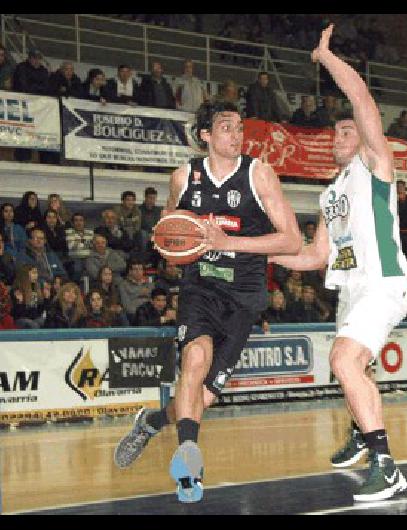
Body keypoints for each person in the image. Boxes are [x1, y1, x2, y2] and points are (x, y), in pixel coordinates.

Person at [113, 99, 301, 504]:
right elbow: (167, 230)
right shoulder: (183, 177)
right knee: (193, 362)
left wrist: (226, 241)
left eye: (239, 128)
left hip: (245, 297)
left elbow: (291, 240)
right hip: (200, 287)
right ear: (205, 135)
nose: (237, 135)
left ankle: (150, 422)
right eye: (227, 128)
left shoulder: (259, 174)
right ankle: (187, 466)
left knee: (201, 397)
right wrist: (167, 244)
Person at [269, 25, 407, 502]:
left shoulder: (376, 164)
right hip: (351, 289)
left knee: (343, 360)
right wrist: (255, 252)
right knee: (354, 369)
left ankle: (386, 466)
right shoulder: (329, 193)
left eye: (348, 127)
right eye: (336, 130)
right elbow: (313, 255)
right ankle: (361, 430)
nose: (340, 132)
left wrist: (326, 58)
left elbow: (360, 95)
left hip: (383, 282)